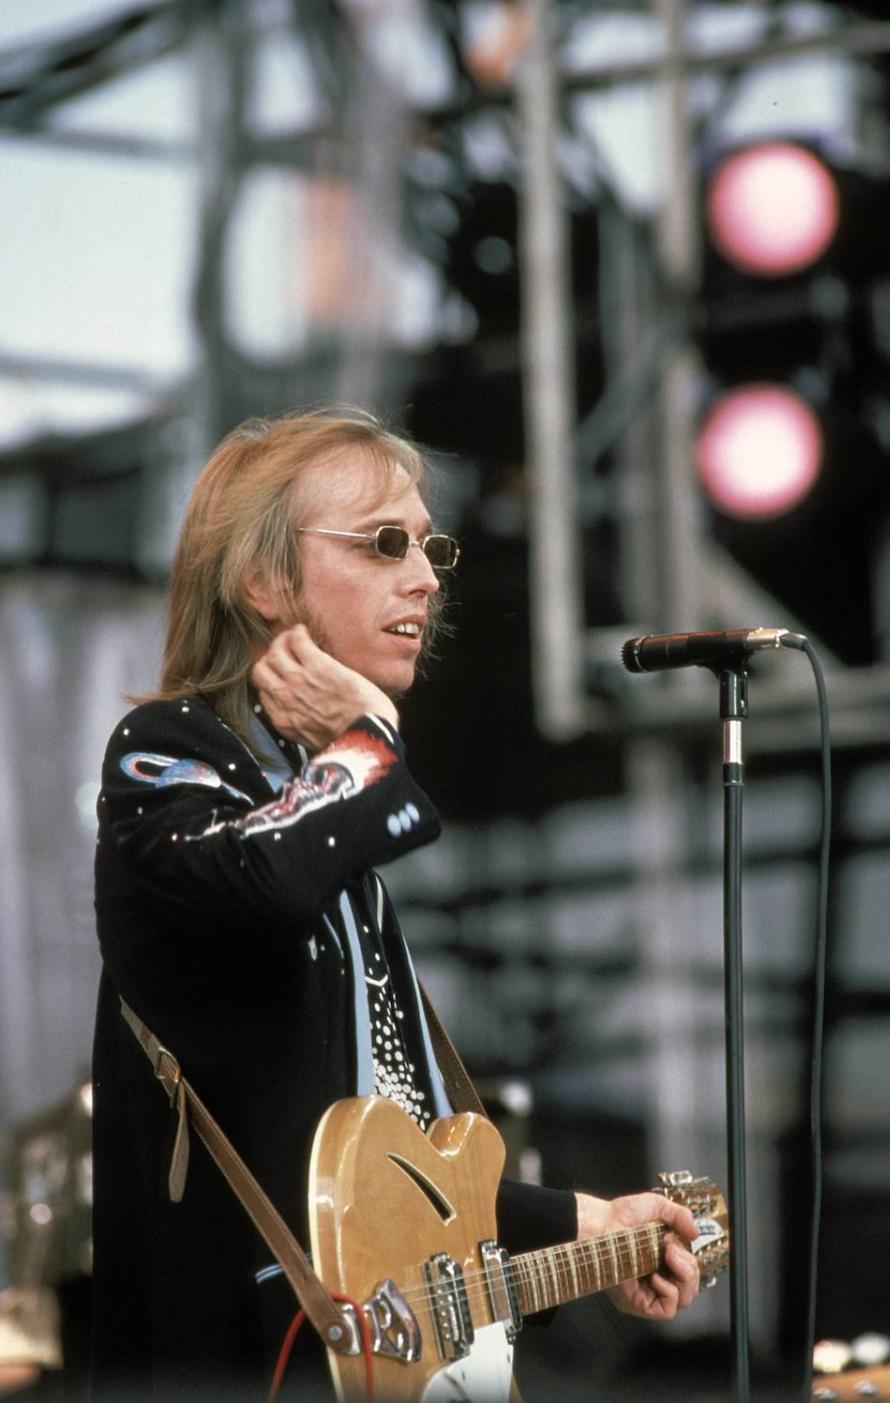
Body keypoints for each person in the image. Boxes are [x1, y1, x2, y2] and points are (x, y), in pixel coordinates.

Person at [91, 408, 701, 1401]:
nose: (425, 575)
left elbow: (396, 1190)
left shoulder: (327, 827)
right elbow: (260, 884)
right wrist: (368, 736)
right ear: (264, 581)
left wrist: (588, 1224)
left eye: (430, 545)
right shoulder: (170, 754)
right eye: (384, 542)